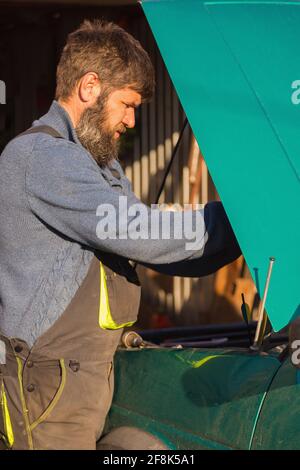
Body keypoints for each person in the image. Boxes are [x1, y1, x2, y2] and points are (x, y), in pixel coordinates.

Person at [0, 19, 240, 450]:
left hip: (88, 378)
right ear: (90, 86)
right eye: (127, 104)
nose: (131, 120)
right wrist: (238, 220)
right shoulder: (42, 158)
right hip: (47, 391)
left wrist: (242, 238)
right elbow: (135, 230)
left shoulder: (97, 164)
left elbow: (153, 246)